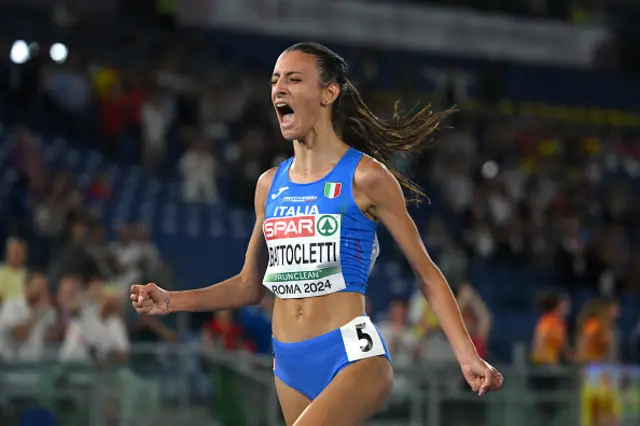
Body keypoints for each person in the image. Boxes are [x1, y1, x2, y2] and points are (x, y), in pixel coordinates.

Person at [131, 42, 503, 426]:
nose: (279, 89)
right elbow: (249, 287)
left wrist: (466, 355)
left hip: (352, 357)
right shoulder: (269, 185)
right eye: (275, 80)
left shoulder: (367, 177)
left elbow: (426, 273)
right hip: (288, 361)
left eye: (294, 79)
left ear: (329, 92)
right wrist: (171, 300)